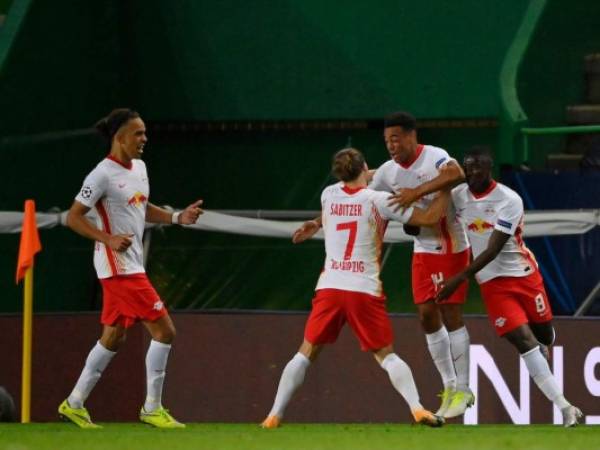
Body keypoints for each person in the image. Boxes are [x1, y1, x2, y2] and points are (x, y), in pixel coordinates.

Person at [261, 147, 452, 429]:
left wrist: (316, 222)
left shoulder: (328, 194)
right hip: (363, 287)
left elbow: (343, 195)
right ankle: (417, 408)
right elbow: (429, 219)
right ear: (364, 168)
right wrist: (446, 187)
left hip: (330, 287)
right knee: (387, 355)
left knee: (306, 352)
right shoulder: (380, 200)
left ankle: (273, 415)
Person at [58, 109, 203, 429]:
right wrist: (107, 238)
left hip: (130, 261)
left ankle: (74, 402)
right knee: (165, 330)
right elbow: (73, 216)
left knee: (113, 336)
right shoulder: (101, 175)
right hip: (118, 265)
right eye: (138, 133)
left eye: (145, 133)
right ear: (119, 137)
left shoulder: (139, 167)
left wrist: (177, 217)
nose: (144, 139)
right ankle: (152, 408)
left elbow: (141, 205)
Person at [436, 146, 583, 427]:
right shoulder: (458, 197)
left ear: (489, 168)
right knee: (524, 343)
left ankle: (544, 341)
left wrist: (457, 279)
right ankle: (567, 408)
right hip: (492, 284)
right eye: (468, 167)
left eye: (477, 167)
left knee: (544, 335)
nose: (472, 173)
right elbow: (437, 217)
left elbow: (492, 250)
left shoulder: (508, 199)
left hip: (524, 276)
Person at [369, 111, 472, 418]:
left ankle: (464, 389)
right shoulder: (387, 172)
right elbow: (367, 194)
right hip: (422, 248)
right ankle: (450, 385)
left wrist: (417, 192)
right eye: (387, 140)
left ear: (412, 136)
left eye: (396, 138)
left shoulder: (434, 157)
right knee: (427, 315)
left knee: (450, 313)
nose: (391, 145)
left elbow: (457, 174)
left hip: (450, 244)